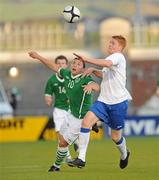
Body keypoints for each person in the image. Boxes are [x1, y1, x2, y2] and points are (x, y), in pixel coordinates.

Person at [28, 51, 100, 172]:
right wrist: (38, 56)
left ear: (83, 69)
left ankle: (56, 166)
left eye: (78, 64)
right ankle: (58, 165)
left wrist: (91, 86)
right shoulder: (66, 74)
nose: (75, 65)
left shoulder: (85, 78)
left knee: (63, 144)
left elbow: (97, 86)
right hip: (70, 113)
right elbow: (53, 66)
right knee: (60, 139)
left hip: (80, 119)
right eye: (74, 63)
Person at [70, 35, 132, 169]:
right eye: (109, 43)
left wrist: (86, 59)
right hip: (103, 101)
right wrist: (93, 70)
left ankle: (124, 154)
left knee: (115, 137)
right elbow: (105, 74)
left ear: (120, 47)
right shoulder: (110, 59)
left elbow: (107, 64)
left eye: (113, 43)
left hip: (118, 104)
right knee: (86, 122)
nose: (110, 45)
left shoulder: (118, 57)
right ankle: (81, 158)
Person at [44, 55, 73, 163]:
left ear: (66, 65)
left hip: (72, 110)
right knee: (60, 133)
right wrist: (48, 99)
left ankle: (77, 145)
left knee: (73, 132)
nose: (61, 65)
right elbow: (47, 94)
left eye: (63, 63)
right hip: (59, 109)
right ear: (55, 65)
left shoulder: (71, 77)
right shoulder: (52, 80)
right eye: (59, 64)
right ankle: (68, 157)